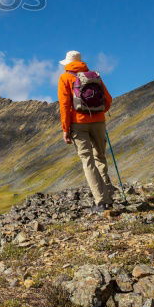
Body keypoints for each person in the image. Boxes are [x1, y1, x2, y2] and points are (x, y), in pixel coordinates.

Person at [57, 50, 116, 212]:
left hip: (78, 124)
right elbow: (108, 99)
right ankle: (108, 195)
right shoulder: (94, 76)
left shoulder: (65, 78)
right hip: (98, 121)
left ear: (67, 64)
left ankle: (102, 202)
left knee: (87, 161)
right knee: (100, 157)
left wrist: (65, 129)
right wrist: (99, 113)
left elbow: (64, 106)